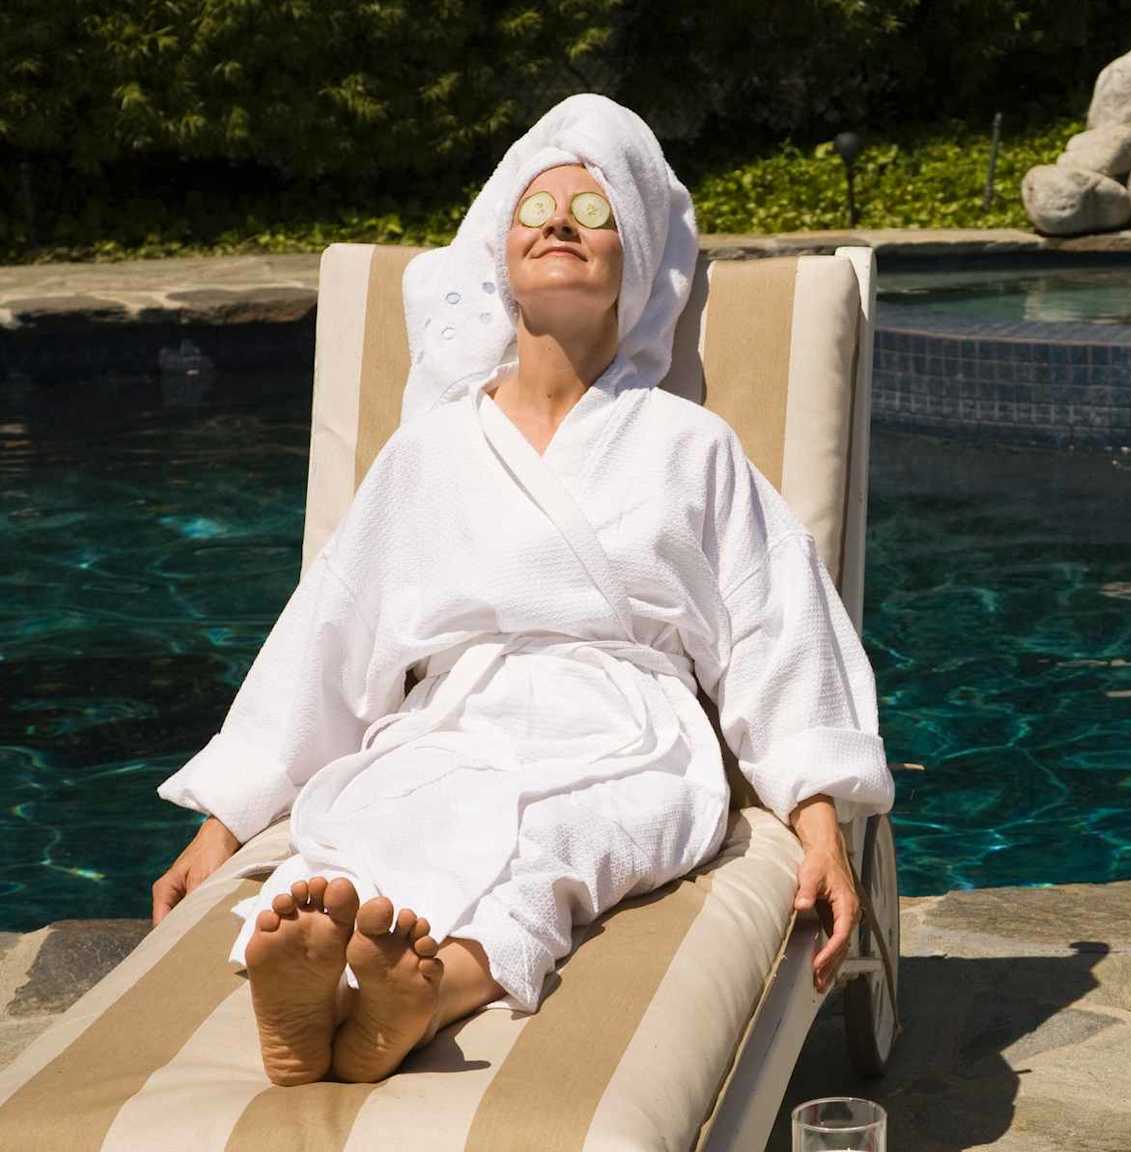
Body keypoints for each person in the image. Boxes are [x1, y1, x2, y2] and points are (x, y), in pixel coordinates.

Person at [149, 94, 893, 1086]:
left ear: (636, 268)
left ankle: (427, 987)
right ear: (496, 258)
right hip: (455, 720)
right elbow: (332, 631)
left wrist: (822, 826)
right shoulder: (434, 448)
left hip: (629, 734)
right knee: (382, 818)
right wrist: (223, 820)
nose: (558, 224)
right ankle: (326, 985)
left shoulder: (688, 443)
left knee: (559, 839)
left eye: (594, 216)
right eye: (536, 208)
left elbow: (773, 630)